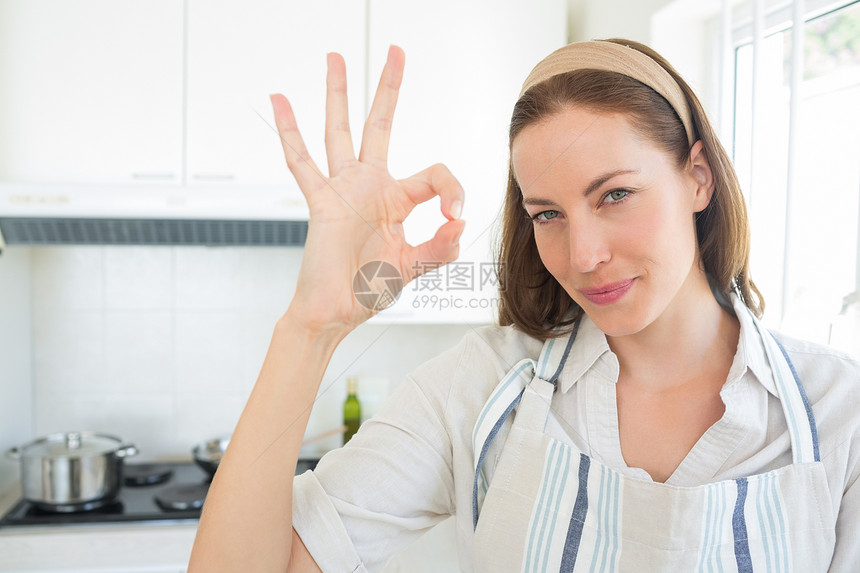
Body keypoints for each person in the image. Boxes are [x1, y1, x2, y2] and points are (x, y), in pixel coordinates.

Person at [188, 39, 860, 572]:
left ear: (697, 178)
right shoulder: (480, 387)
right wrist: (313, 324)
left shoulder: (840, 411)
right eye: (548, 213)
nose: (583, 254)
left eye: (615, 194)